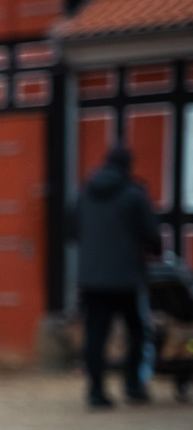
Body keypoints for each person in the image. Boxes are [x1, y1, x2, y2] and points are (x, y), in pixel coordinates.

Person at [71, 146, 161, 409]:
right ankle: (133, 385)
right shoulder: (134, 195)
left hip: (92, 279)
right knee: (137, 332)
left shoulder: (84, 194)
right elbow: (151, 234)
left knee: (95, 336)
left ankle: (96, 390)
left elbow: (71, 230)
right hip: (126, 278)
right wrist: (152, 250)